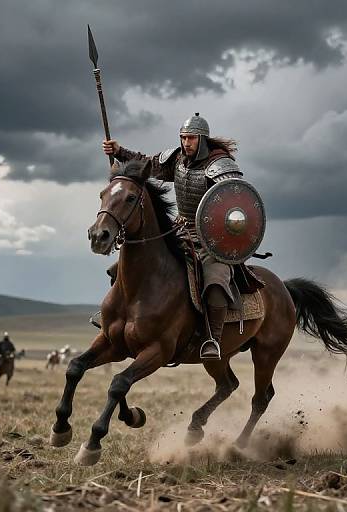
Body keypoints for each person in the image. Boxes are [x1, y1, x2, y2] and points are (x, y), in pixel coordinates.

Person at [102, 113, 247, 360]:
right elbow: (146, 163)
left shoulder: (221, 166)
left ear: (202, 139)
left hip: (212, 241)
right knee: (123, 268)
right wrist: (119, 151)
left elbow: (236, 200)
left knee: (215, 282)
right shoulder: (177, 159)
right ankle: (118, 317)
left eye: (190, 138)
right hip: (179, 231)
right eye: (183, 138)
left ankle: (212, 338)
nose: (185, 143)